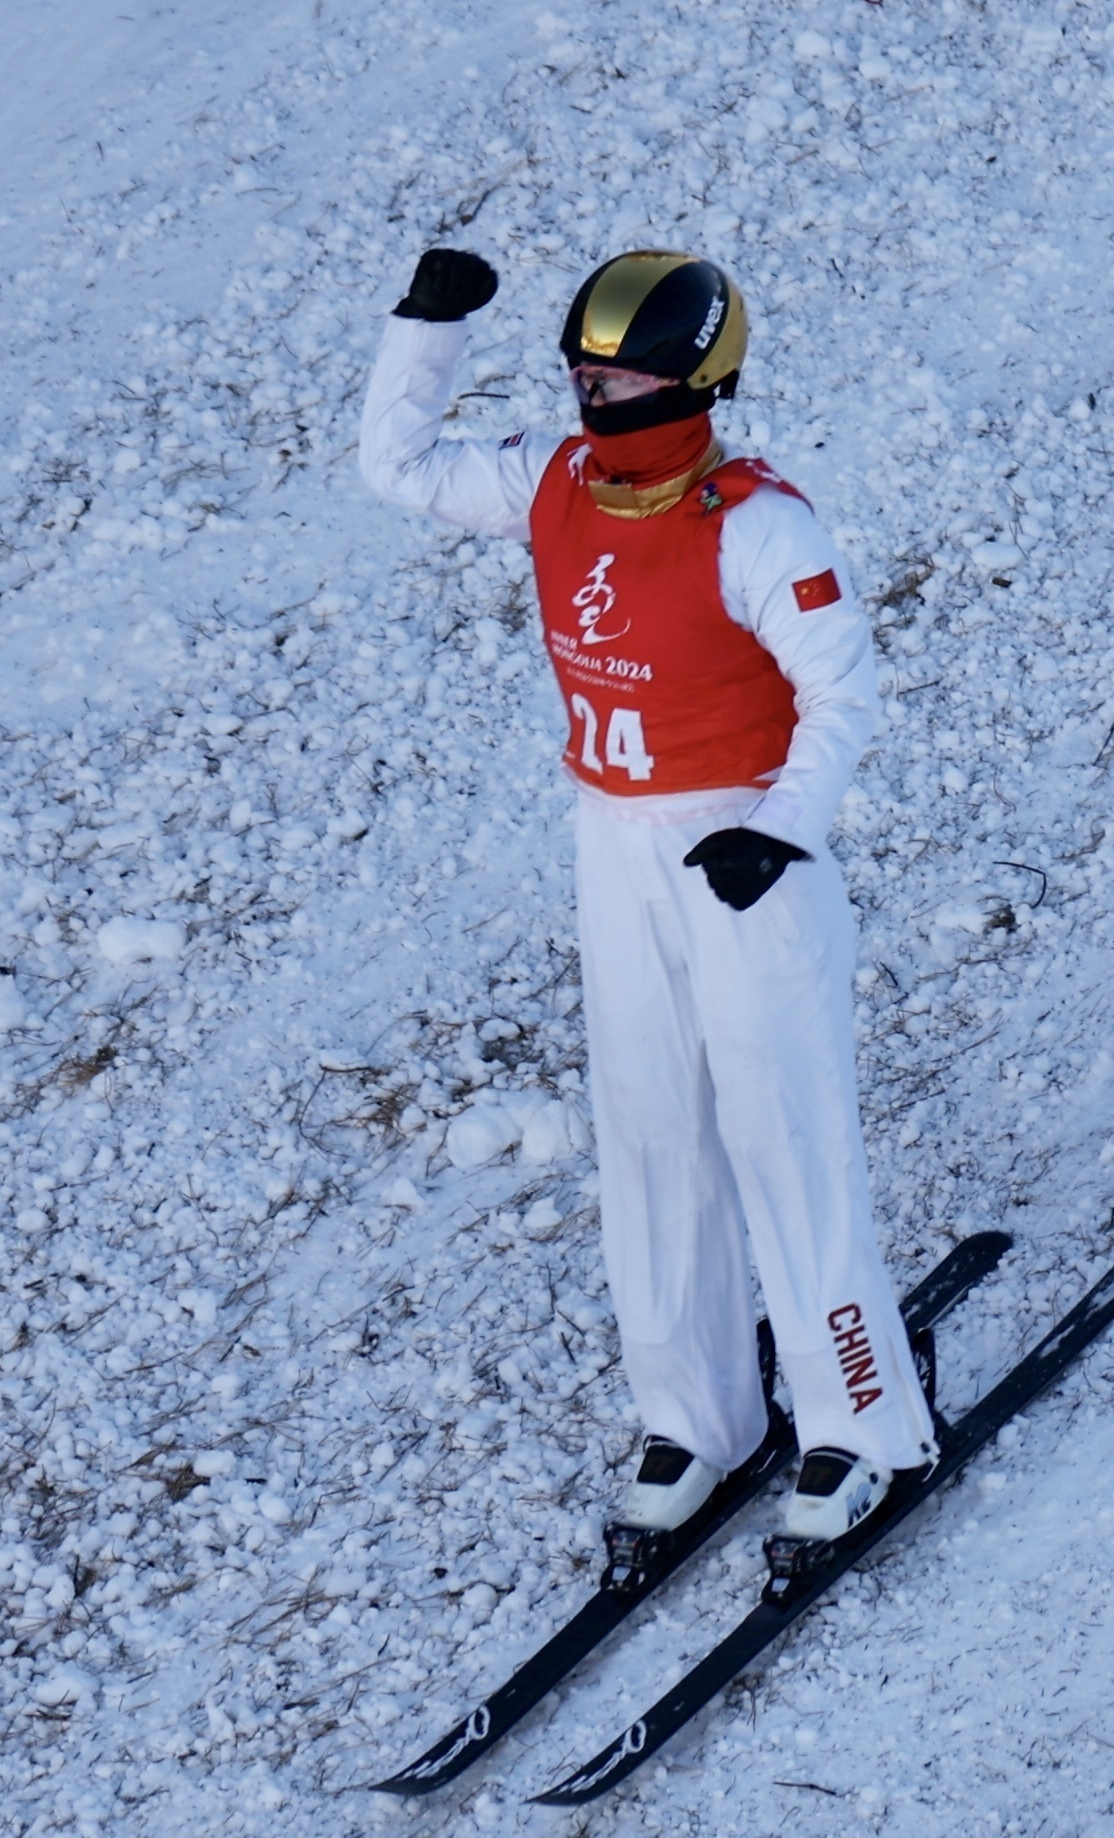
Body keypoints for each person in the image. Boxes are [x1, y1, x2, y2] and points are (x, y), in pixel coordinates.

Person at [358, 247, 937, 1564]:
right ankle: (698, 1415)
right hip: (612, 845)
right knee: (650, 1128)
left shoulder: (757, 522)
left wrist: (776, 830)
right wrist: (426, 334)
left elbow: (845, 692)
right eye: (579, 373)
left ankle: (862, 1424)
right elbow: (397, 468)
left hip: (741, 851)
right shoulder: (554, 480)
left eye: (615, 377)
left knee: (780, 1131)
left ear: (692, 380)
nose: (589, 395)